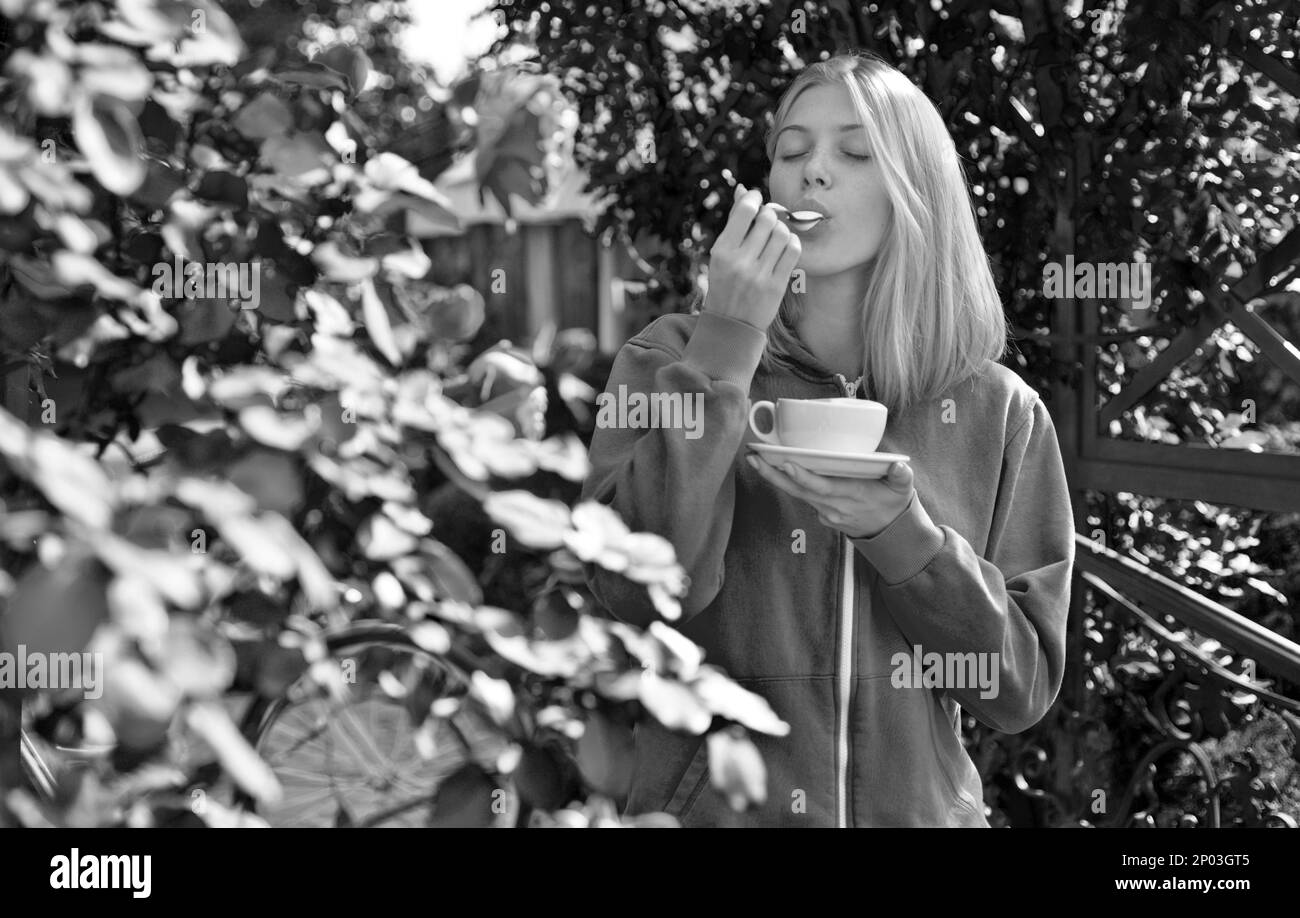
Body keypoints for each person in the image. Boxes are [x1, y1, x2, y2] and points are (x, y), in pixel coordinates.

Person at [580, 50, 1076, 827]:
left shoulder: (998, 411)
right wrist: (728, 341)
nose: (813, 171)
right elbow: (633, 596)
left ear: (918, 190)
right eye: (790, 150)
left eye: (854, 151)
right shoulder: (669, 359)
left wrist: (906, 539)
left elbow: (1016, 690)